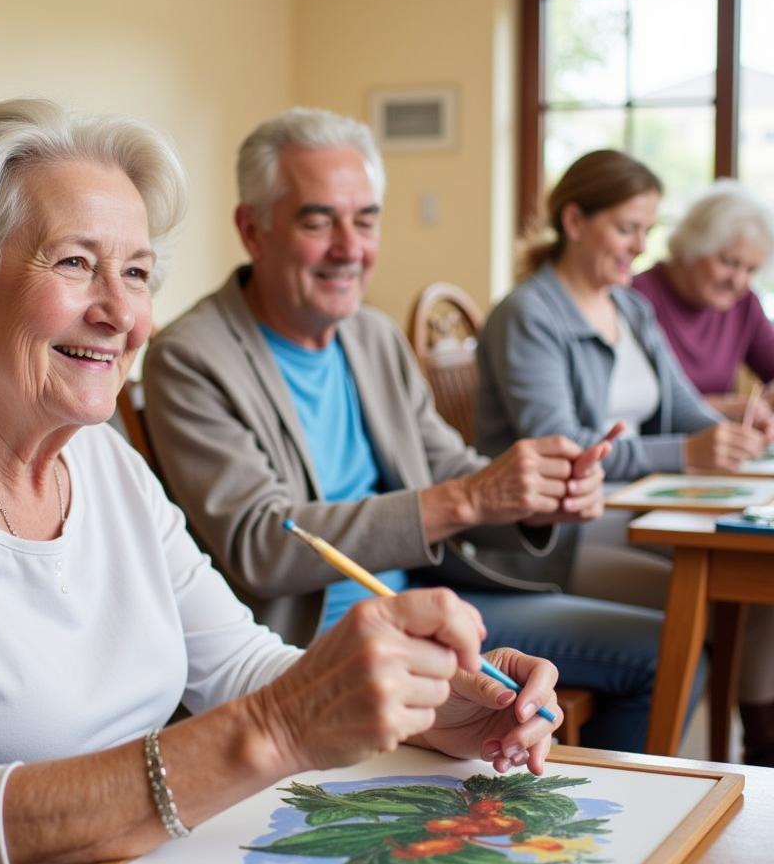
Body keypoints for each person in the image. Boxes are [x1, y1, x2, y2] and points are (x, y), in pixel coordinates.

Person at [0, 99, 561, 864]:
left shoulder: (102, 460)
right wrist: (278, 728)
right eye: (74, 263)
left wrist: (434, 705)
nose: (122, 314)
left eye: (136, 272)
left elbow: (241, 668)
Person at [142, 106, 681, 755]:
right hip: (304, 648)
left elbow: (452, 471)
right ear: (252, 229)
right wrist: (468, 498)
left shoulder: (371, 335)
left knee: (663, 646)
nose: (350, 248)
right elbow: (262, 543)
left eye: (365, 219)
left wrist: (534, 496)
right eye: (319, 220)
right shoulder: (191, 355)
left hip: (427, 608)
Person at [476, 148, 774, 765]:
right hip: (557, 536)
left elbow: (685, 409)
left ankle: (756, 750)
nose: (639, 246)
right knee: (707, 608)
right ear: (576, 219)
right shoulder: (529, 314)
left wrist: (727, 430)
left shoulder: (630, 307)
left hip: (627, 511)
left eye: (645, 229)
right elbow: (562, 449)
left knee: (756, 584)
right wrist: (686, 452)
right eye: (626, 227)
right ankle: (638, 776)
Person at [632, 179, 774, 431]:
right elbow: (633, 407)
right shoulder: (635, 298)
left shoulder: (744, 304)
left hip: (720, 454)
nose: (738, 281)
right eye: (728, 262)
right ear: (692, 247)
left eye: (751, 269)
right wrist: (716, 408)